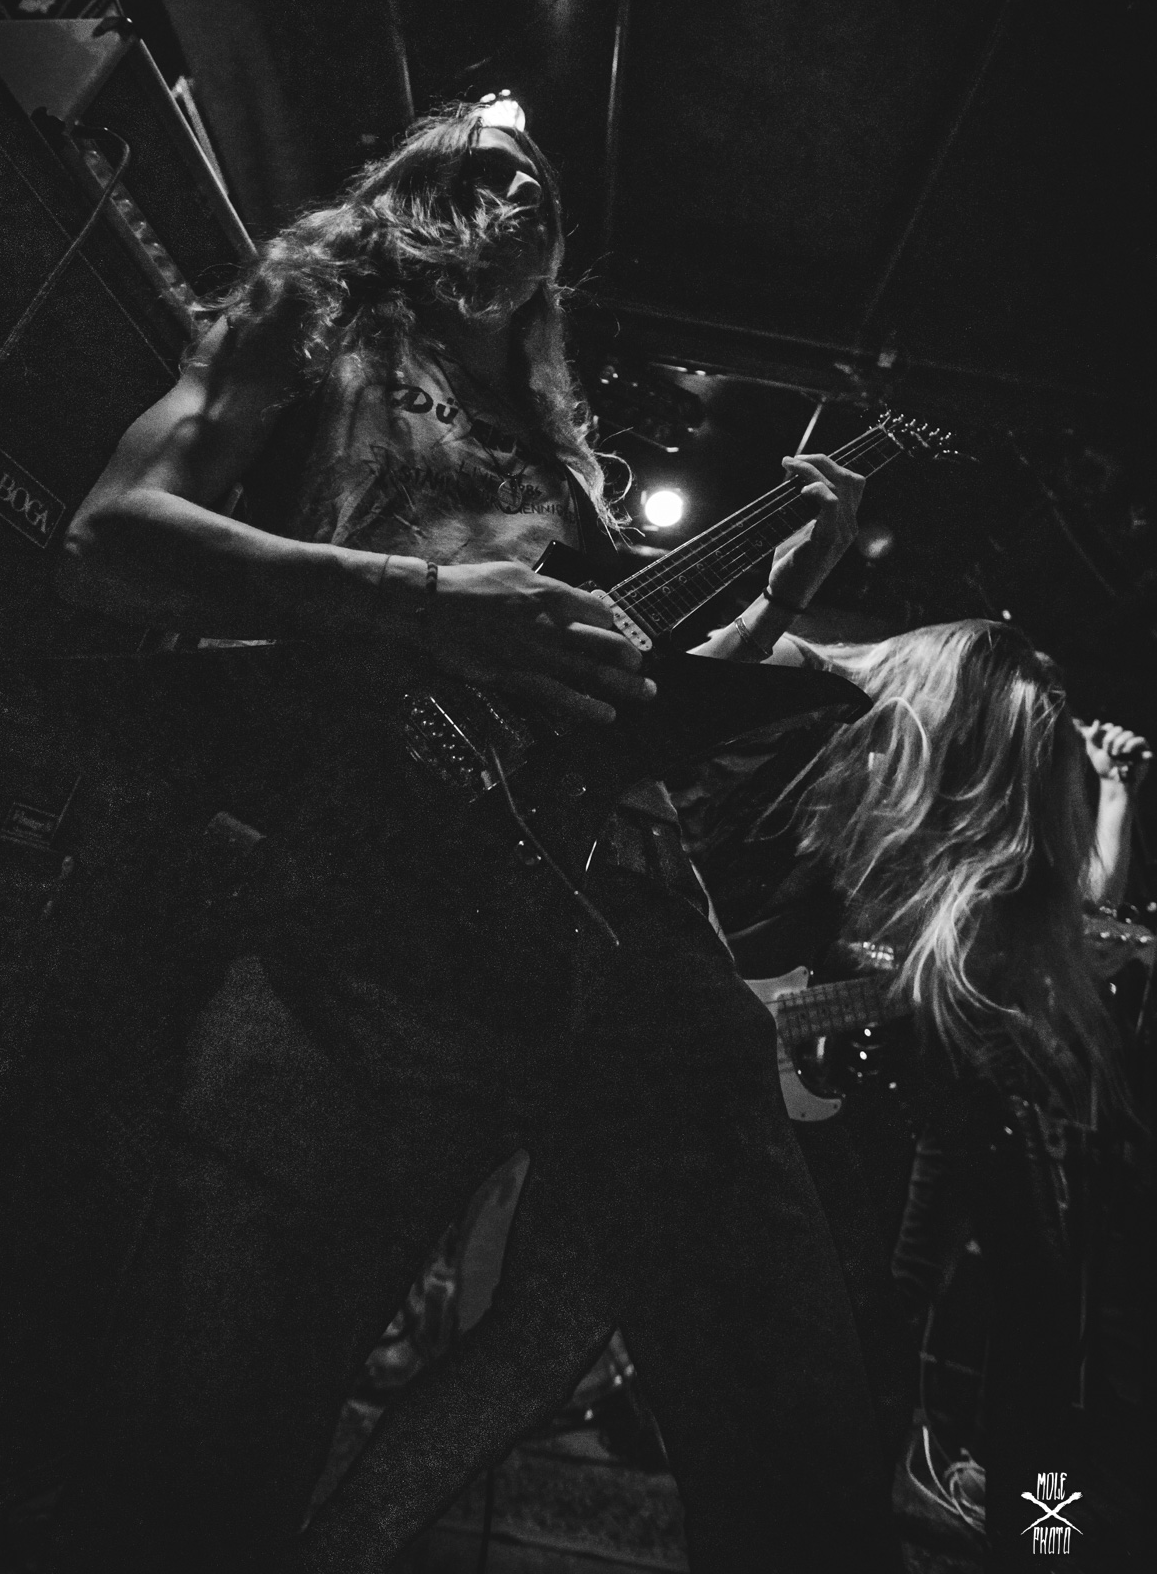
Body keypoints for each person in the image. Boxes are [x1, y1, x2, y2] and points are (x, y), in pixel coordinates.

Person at [46, 104, 892, 1573]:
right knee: (218, 1418)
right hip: (378, 915)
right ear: (405, 193)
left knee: (786, 1397)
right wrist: (431, 602)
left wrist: (779, 594)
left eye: (538, 183)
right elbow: (110, 537)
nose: (517, 187)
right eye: (479, 164)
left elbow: (624, 698)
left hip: (634, 929)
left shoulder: (564, 454)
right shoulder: (313, 322)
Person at [296, 619, 1138, 1572]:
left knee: (527, 1357)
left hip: (649, 1080)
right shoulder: (803, 733)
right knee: (567, 1366)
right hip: (641, 1079)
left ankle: (332, 1553)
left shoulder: (832, 778)